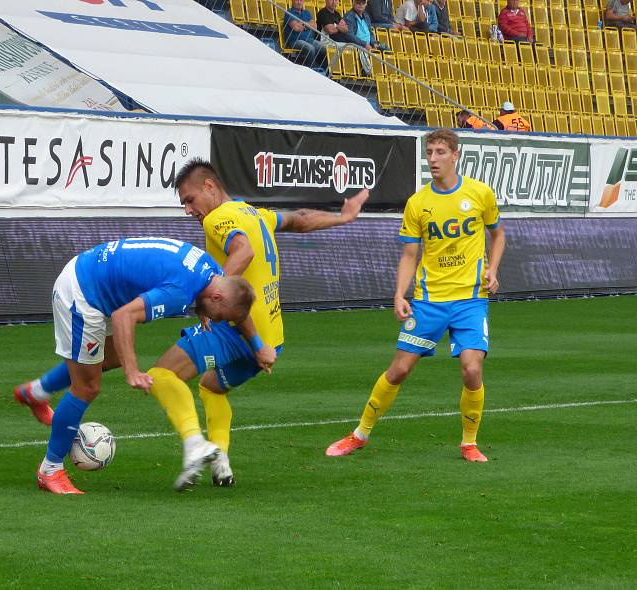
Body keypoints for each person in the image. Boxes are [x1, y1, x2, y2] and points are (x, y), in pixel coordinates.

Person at [149, 159, 369, 486]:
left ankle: (195, 445)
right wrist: (344, 217)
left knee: (161, 375)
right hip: (270, 340)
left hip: (234, 330)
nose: (188, 210)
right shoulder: (255, 213)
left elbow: (244, 250)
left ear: (210, 187)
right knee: (211, 387)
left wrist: (210, 295)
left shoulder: (218, 218)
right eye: (183, 204)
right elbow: (299, 220)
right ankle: (220, 460)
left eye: (189, 199)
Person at [326, 128, 505, 463]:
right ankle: (359, 434)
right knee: (399, 370)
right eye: (429, 152)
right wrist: (399, 294)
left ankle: (469, 443)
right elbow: (410, 254)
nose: (433, 159)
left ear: (456, 155)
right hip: (428, 300)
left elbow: (498, 235)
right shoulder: (418, 203)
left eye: (440, 152)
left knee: (471, 369)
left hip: (470, 299)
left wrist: (493, 270)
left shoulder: (481, 194)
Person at [23, 237, 256, 494]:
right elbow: (124, 316)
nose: (214, 319)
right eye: (218, 315)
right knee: (87, 386)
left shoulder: (210, 269)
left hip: (93, 275)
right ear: (217, 297)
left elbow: (200, 294)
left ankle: (36, 392)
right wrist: (132, 370)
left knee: (107, 357)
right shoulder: (179, 292)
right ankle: (50, 469)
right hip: (82, 293)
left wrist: (203, 309)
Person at [283, 0, 328, 69]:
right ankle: (310, 70)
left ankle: (323, 70)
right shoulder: (289, 12)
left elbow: (314, 26)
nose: (299, 2)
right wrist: (307, 24)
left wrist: (302, 24)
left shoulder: (307, 12)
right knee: (310, 48)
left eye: (301, 0)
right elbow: (296, 28)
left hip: (309, 40)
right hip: (294, 41)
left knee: (323, 48)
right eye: (296, 0)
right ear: (292, 1)